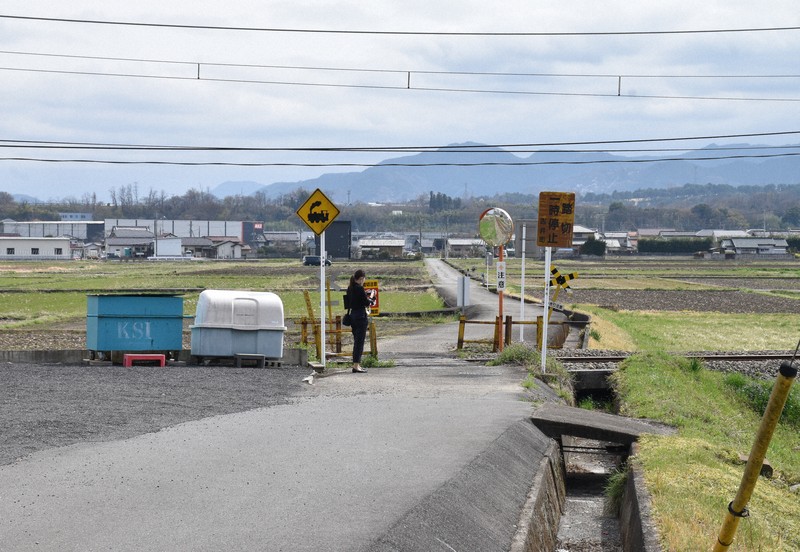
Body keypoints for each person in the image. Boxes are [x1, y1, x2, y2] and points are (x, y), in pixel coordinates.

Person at [346, 269, 374, 373]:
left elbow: (349, 302)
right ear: (361, 278)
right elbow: (366, 302)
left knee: (356, 341)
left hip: (353, 316)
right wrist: (370, 301)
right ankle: (356, 365)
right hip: (361, 317)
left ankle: (356, 364)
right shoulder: (359, 288)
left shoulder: (350, 288)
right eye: (364, 278)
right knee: (359, 342)